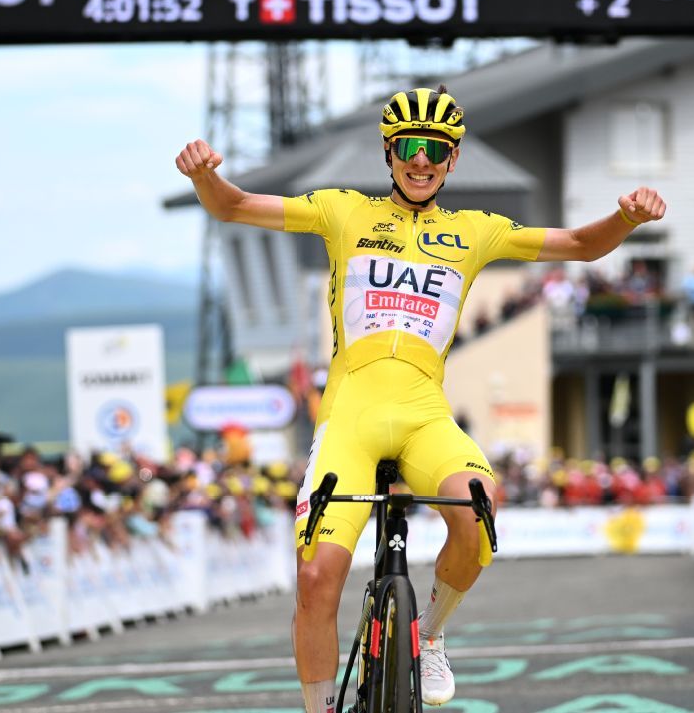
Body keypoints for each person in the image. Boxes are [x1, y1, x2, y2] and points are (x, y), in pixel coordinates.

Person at [176, 85, 666, 712]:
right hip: (351, 416)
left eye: (436, 149)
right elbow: (235, 206)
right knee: (318, 578)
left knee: (477, 511)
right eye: (409, 146)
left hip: (424, 416)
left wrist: (626, 217)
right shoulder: (343, 211)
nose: (421, 160)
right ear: (389, 152)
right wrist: (204, 178)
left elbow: (578, 245)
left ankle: (429, 632)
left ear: (452, 160)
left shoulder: (475, 231)